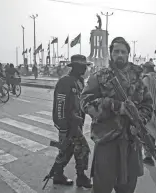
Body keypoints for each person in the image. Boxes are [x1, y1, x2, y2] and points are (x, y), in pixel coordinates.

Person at [80, 37, 153, 193]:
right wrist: (115, 106)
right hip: (107, 141)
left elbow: (148, 104)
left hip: (132, 142)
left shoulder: (138, 78)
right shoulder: (100, 76)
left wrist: (140, 118)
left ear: (128, 54)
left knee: (127, 188)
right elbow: (85, 102)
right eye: (116, 51)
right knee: (102, 188)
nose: (120, 55)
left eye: (123, 52)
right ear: (111, 54)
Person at [51, 54, 92, 188]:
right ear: (74, 67)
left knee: (67, 151)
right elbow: (60, 105)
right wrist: (62, 127)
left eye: (84, 67)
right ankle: (80, 177)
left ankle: (57, 175)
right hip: (68, 125)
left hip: (76, 124)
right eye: (81, 67)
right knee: (83, 149)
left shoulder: (79, 82)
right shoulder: (65, 81)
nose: (84, 69)